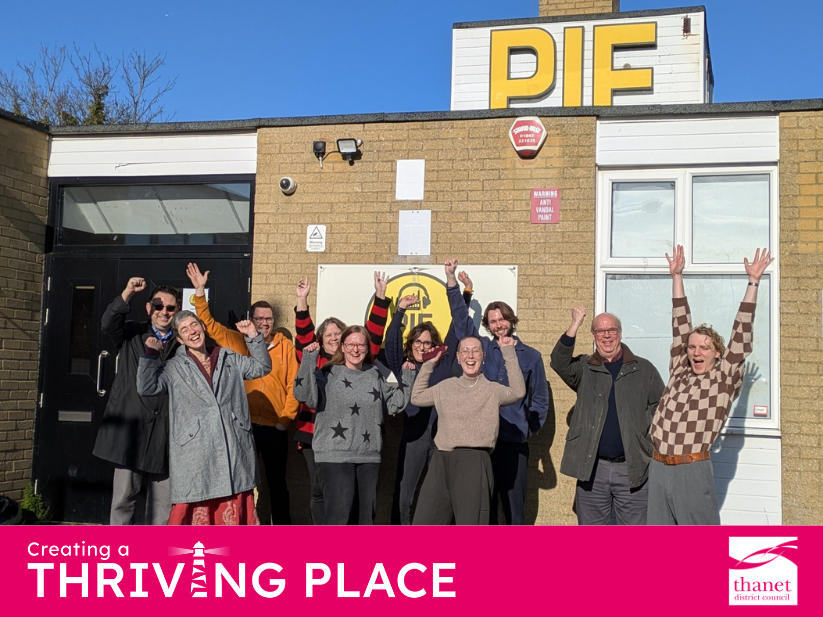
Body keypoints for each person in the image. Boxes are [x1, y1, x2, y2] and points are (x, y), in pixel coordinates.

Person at [648, 245, 773, 525]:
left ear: (717, 353)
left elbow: (741, 336)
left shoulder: (723, 378)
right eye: (692, 347)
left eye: (705, 347)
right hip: (657, 467)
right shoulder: (680, 370)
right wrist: (676, 276)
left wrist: (753, 282)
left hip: (691, 469)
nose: (696, 352)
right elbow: (680, 323)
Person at [186, 262, 299, 525]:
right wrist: (200, 293)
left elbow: (294, 385)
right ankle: (245, 527)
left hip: (275, 427)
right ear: (251, 319)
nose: (264, 323)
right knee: (243, 481)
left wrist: (285, 420)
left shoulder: (285, 347)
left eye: (268, 319)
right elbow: (209, 326)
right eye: (259, 318)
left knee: (277, 483)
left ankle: (283, 530)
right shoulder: (237, 341)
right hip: (243, 426)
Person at [136, 311, 271, 525]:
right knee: (192, 512)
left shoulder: (228, 357)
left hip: (232, 448)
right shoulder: (174, 367)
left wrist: (253, 335)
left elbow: (262, 367)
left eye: (194, 325)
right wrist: (150, 355)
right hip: (196, 453)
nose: (192, 332)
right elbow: (147, 387)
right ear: (180, 339)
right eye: (184, 330)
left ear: (202, 326)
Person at [445, 259, 551, 525]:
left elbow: (539, 400)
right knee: (484, 506)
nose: (498, 324)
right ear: (487, 326)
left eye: (502, 319)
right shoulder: (480, 348)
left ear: (510, 321)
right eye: (493, 321)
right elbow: (460, 320)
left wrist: (527, 428)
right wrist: (451, 282)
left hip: (514, 442)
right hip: (482, 441)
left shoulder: (531, 356)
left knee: (514, 507)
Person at [550, 307, 664, 525]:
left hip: (633, 468)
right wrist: (575, 324)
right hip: (592, 469)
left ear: (620, 333)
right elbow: (558, 362)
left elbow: (662, 408)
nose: (607, 335)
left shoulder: (643, 369)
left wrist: (648, 443)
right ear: (593, 336)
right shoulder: (585, 367)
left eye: (611, 330)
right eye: (600, 331)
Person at [292, 273, 391, 524]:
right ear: (320, 340)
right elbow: (304, 335)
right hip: (314, 433)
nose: (334, 338)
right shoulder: (317, 362)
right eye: (329, 335)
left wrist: (380, 298)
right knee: (319, 489)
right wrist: (302, 301)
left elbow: (374, 336)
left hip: (353, 441)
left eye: (339, 334)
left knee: (345, 496)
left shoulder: (356, 361)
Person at [293, 326, 413, 525]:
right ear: (342, 347)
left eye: (361, 345)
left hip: (369, 457)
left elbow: (394, 404)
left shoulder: (376, 373)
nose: (355, 350)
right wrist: (308, 360)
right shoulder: (328, 373)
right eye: (351, 344)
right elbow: (303, 395)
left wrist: (408, 377)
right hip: (334, 457)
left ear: (368, 348)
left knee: (365, 519)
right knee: (339, 518)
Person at [411, 335, 526, 525]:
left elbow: (517, 392)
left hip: (473, 461)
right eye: (465, 350)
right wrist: (430, 364)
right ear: (458, 356)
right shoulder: (446, 387)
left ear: (483, 356)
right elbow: (417, 397)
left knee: (470, 524)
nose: (470, 355)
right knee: (425, 521)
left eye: (475, 351)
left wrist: (509, 353)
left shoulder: (492, 389)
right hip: (441, 460)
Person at [92, 278, 180, 525]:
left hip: (165, 434)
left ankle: (155, 557)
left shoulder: (182, 344)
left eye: (170, 308)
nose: (164, 312)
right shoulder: (132, 333)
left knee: (163, 506)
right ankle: (123, 552)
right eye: (158, 306)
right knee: (123, 500)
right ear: (149, 308)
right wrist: (128, 293)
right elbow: (108, 323)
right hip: (130, 432)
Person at [384, 292, 465, 525]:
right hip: (413, 440)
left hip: (441, 440)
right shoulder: (403, 366)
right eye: (417, 341)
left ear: (434, 344)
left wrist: (465, 295)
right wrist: (400, 310)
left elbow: (456, 328)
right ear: (411, 344)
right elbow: (391, 341)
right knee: (404, 495)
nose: (421, 346)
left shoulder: (442, 365)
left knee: (440, 497)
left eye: (427, 342)